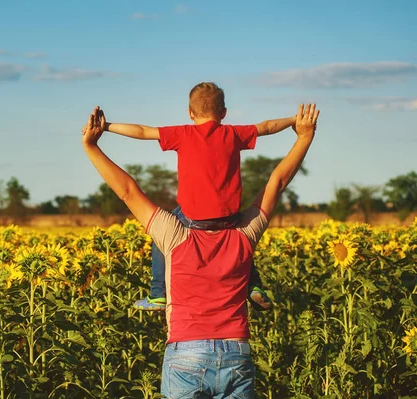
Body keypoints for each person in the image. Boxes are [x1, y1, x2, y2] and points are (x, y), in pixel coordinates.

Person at [82, 103, 319, 398]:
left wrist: (92, 146)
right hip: (237, 353)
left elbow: (128, 190)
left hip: (186, 355)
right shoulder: (245, 234)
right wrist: (303, 137)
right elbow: (277, 182)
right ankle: (255, 286)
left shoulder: (172, 235)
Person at [102, 82, 297, 311]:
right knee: (243, 239)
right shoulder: (233, 133)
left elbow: (142, 131)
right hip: (230, 219)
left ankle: (158, 294)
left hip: (193, 219)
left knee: (159, 235)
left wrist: (107, 126)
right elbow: (267, 126)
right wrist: (294, 120)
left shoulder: (182, 133)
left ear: (190, 113)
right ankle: (253, 285)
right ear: (223, 113)